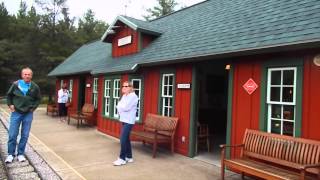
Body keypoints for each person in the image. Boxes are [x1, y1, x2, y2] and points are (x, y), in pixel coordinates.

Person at [5, 67, 41, 163]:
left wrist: (33, 108)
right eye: (25, 74)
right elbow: (9, 95)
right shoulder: (16, 84)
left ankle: (20, 154)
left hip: (28, 114)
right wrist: (10, 104)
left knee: (25, 135)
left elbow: (38, 99)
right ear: (22, 75)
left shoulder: (35, 87)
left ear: (31, 76)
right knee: (13, 134)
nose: (27, 76)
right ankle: (10, 154)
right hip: (16, 113)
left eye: (29, 74)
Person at [113, 81, 138, 166]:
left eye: (126, 86)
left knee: (122, 139)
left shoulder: (134, 97)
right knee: (126, 139)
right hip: (123, 119)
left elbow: (126, 107)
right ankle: (129, 157)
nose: (124, 87)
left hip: (129, 121)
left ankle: (122, 158)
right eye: (123, 86)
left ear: (130, 87)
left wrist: (121, 107)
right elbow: (119, 105)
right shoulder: (124, 96)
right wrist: (121, 107)